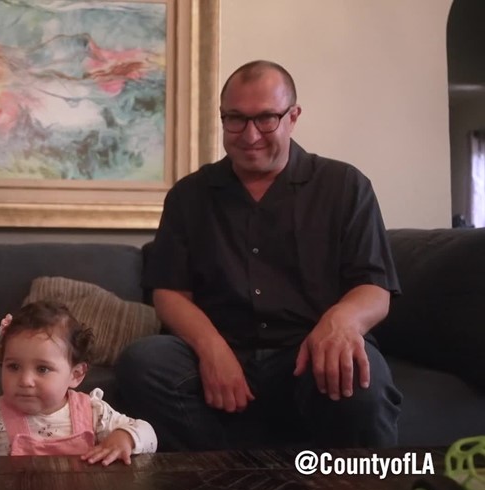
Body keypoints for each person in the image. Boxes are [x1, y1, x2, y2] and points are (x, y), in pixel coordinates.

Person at [115, 60, 403, 451]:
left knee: (358, 374)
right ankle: (225, 472)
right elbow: (169, 293)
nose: (250, 135)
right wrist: (212, 350)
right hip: (223, 351)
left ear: (293, 117)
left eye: (266, 118)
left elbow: (375, 287)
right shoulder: (189, 195)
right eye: (236, 119)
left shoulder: (345, 186)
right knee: (144, 363)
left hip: (309, 353)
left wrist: (340, 321)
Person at [0, 301, 157, 473]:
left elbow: (148, 434)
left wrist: (123, 438)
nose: (25, 380)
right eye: (14, 366)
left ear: (76, 375)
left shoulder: (93, 411)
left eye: (42, 369)